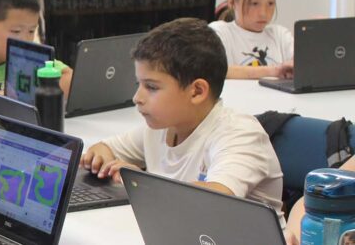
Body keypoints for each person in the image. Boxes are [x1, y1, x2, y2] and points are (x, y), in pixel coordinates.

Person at [80, 18, 285, 224]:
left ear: (197, 91)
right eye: (138, 84)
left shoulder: (240, 134)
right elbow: (105, 148)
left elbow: (212, 201)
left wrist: (142, 185)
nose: (137, 98)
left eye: (151, 87)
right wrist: (100, 161)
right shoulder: (161, 127)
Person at [209, 0, 294, 79]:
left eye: (270, 3)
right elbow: (216, 69)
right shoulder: (220, 32)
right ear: (232, 2)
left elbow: (303, 65)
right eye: (254, 4)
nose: (263, 13)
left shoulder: (280, 35)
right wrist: (273, 71)